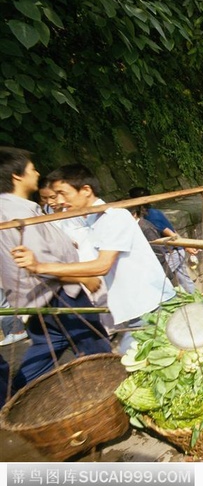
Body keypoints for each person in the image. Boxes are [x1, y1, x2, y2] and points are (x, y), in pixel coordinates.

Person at [12, 163, 176, 356]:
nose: (60, 201)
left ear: (86, 190)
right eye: (56, 195)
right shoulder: (84, 221)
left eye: (64, 193)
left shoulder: (115, 217)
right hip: (133, 310)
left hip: (151, 306)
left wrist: (39, 266)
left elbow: (102, 265)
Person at [1, 151, 111, 391]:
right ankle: (112, 397)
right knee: (96, 348)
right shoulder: (17, 213)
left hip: (38, 298)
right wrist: (83, 276)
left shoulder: (16, 209)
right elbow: (36, 261)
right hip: (58, 293)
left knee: (44, 351)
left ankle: (11, 397)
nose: (37, 173)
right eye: (32, 169)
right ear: (16, 176)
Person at [128, 187, 196, 293]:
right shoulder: (150, 213)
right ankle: (195, 300)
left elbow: (170, 232)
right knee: (184, 279)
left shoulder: (150, 217)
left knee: (160, 279)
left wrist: (186, 246)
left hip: (171, 253)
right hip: (175, 250)